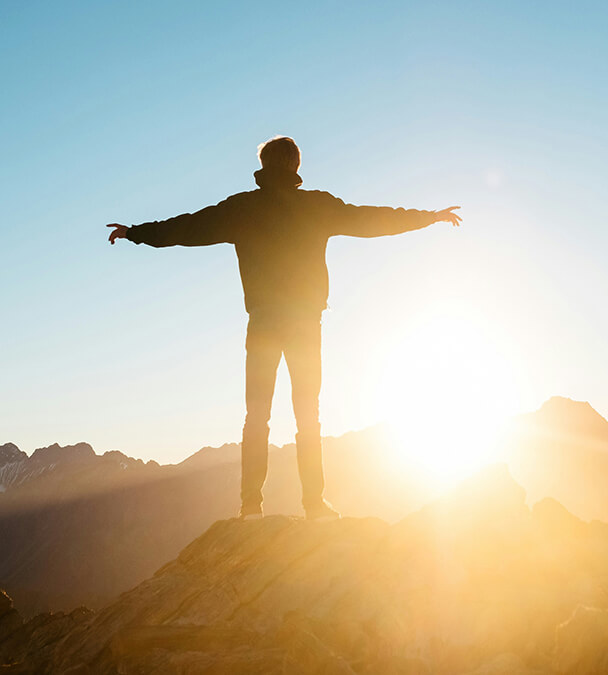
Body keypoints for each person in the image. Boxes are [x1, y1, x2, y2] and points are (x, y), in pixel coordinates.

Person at [106, 136, 461, 521]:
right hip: (306, 323)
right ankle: (314, 506)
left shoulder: (243, 208)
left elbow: (187, 228)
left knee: (257, 415)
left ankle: (250, 506)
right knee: (308, 414)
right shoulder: (317, 206)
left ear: (263, 165)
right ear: (296, 166)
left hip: (263, 323)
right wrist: (429, 217)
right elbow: (373, 219)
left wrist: (134, 232)